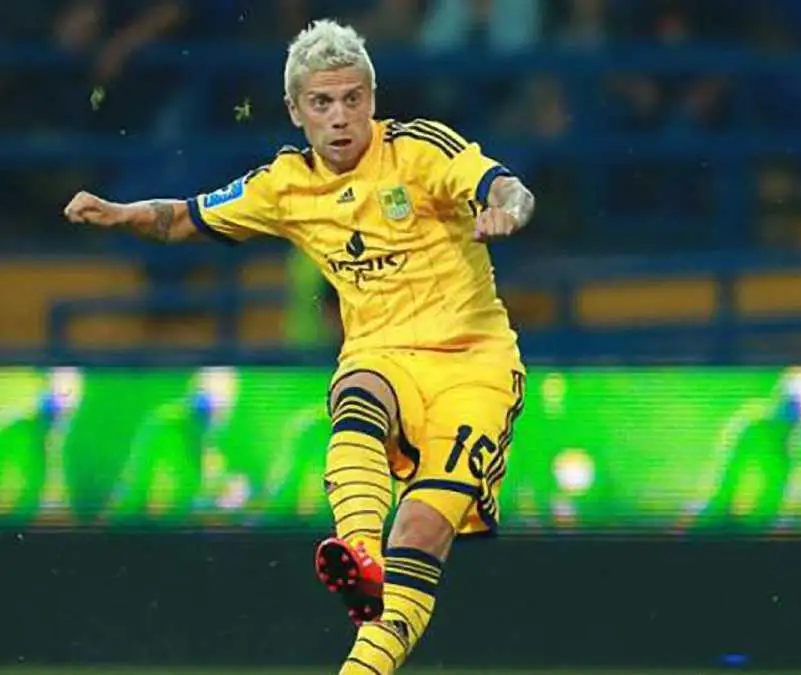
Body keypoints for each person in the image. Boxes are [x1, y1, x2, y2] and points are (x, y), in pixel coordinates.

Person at [62, 18, 535, 674]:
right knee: (357, 392)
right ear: (294, 110)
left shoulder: (420, 149)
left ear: (372, 98)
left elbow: (506, 185)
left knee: (421, 531)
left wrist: (508, 209)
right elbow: (187, 217)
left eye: (352, 99)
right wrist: (120, 213)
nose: (340, 117)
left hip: (473, 367)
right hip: (382, 354)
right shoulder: (284, 185)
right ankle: (360, 553)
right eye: (322, 102)